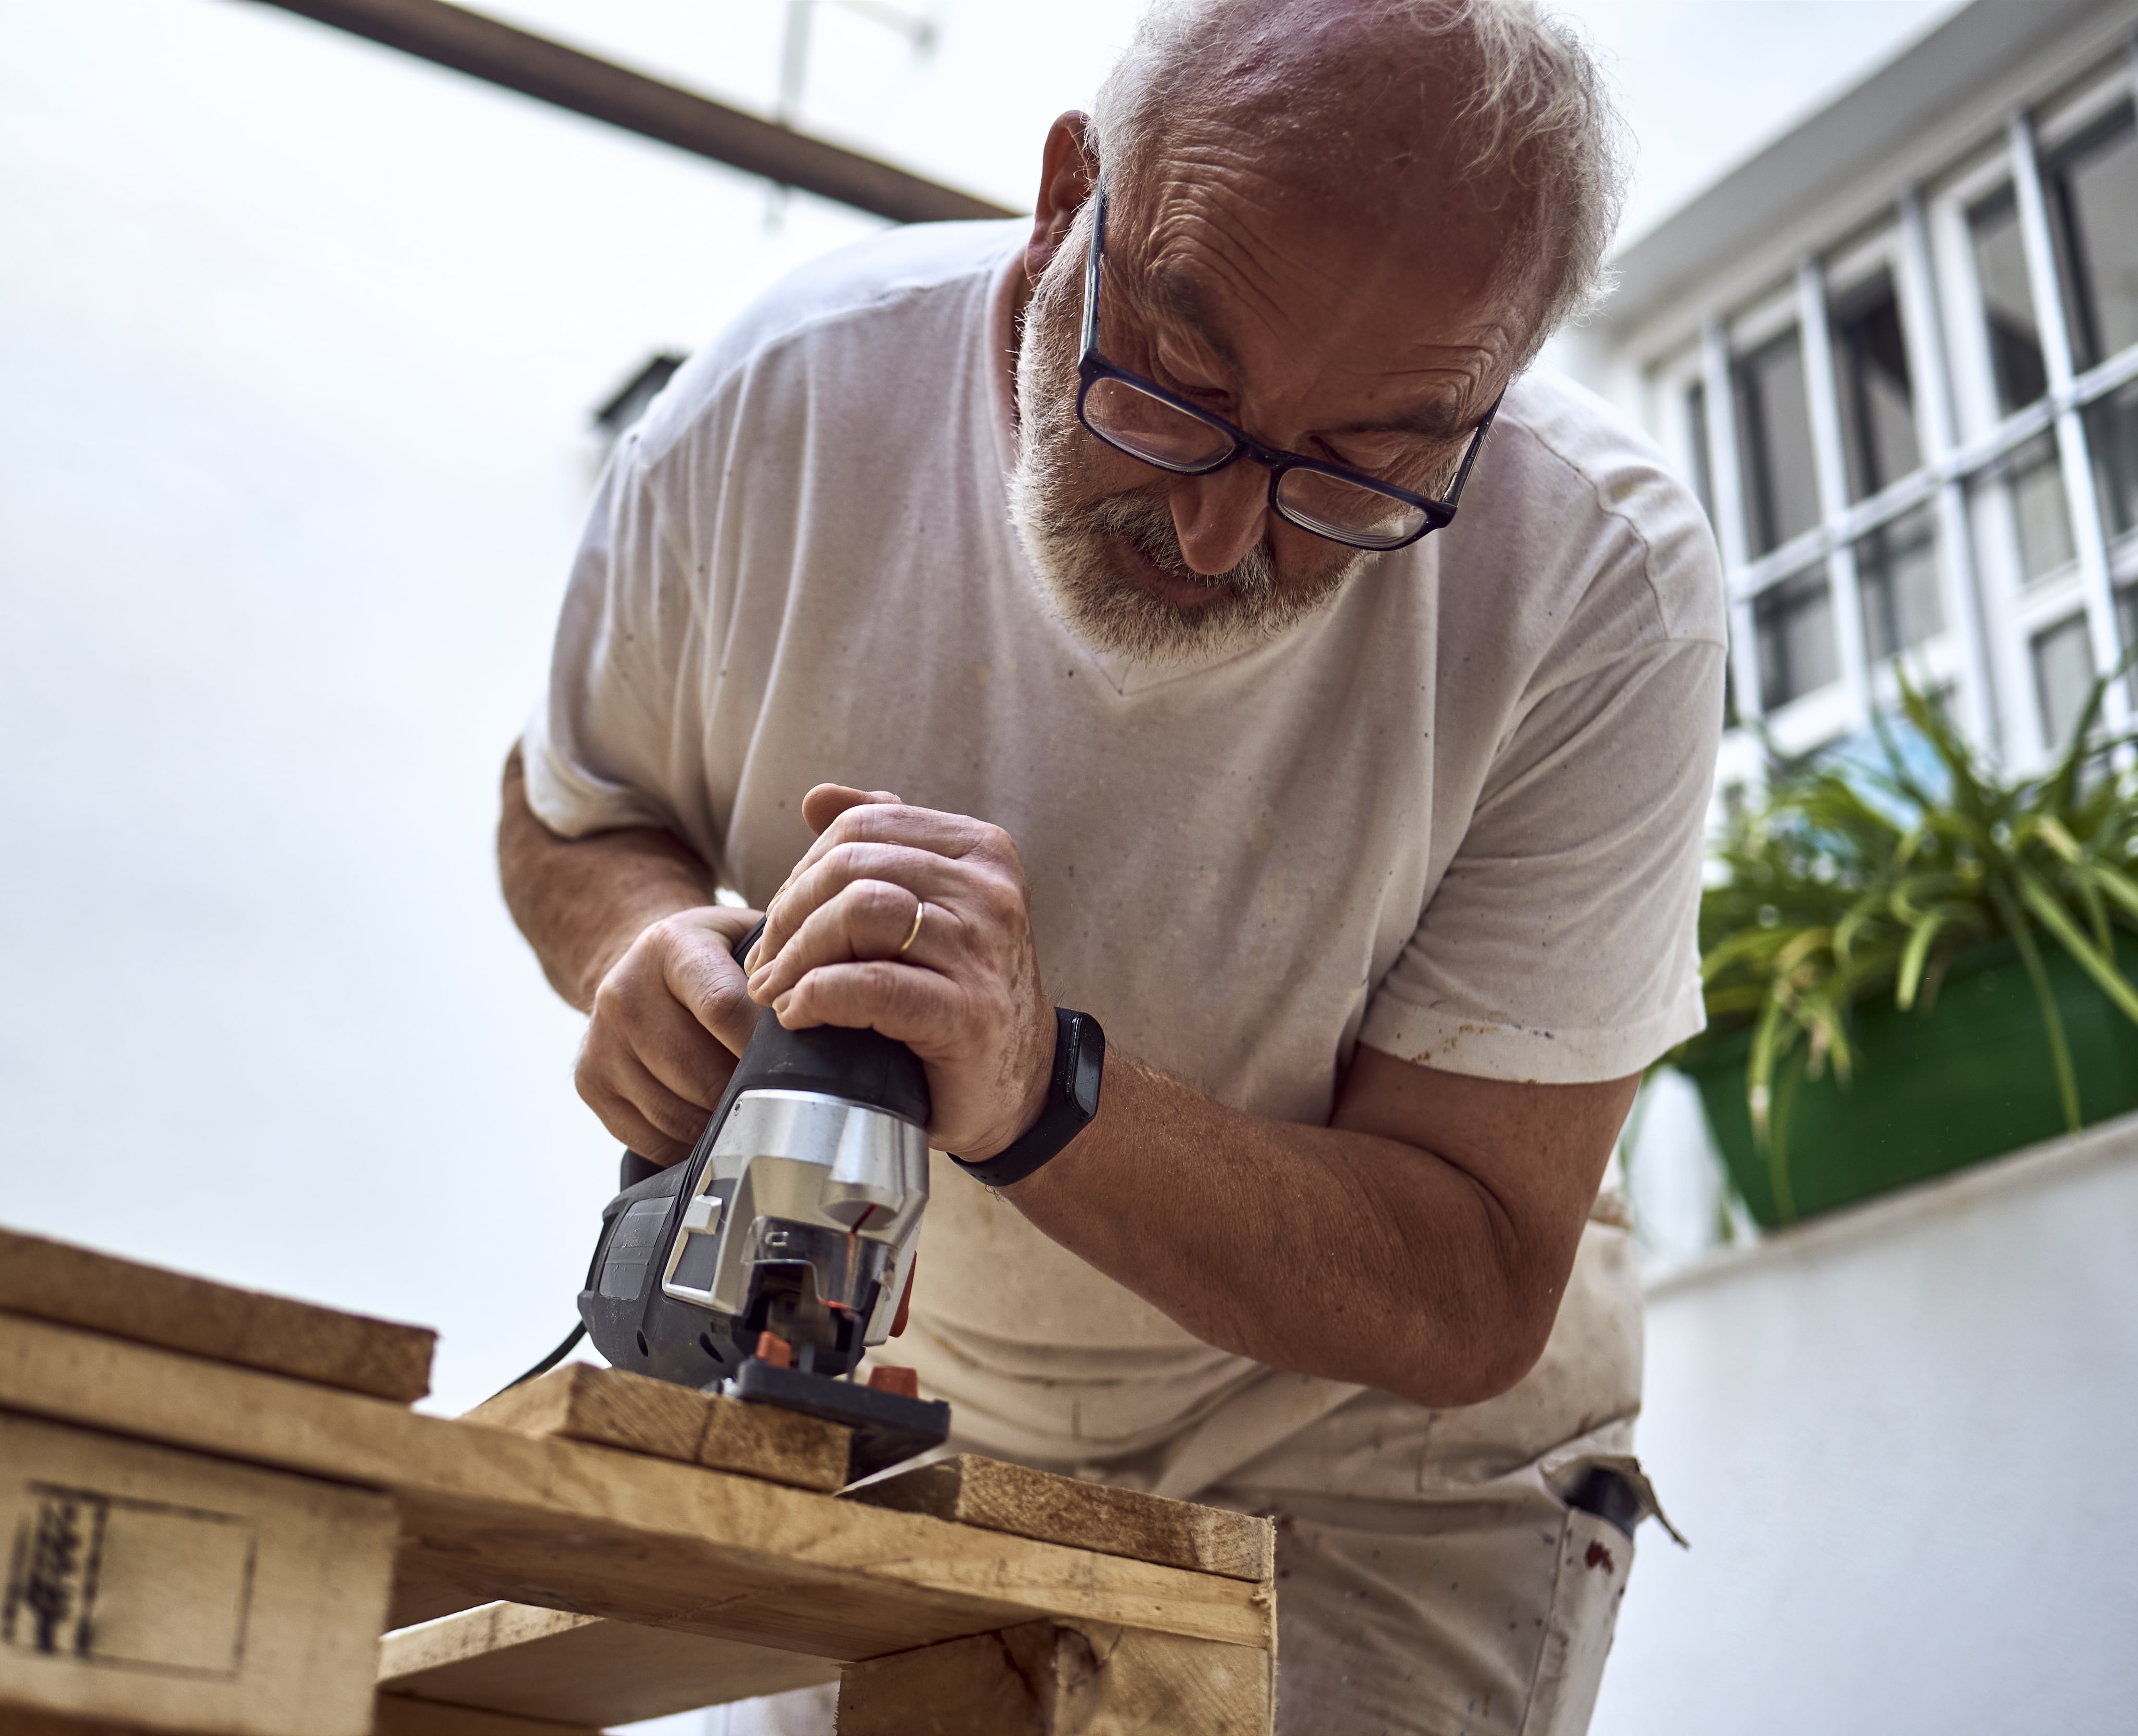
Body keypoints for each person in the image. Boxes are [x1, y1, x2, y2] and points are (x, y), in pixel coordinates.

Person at [498, 0, 1719, 1728]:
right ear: (1071, 194)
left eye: (1362, 468)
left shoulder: (1602, 585)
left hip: (1377, 1461)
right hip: (901, 1376)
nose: (1223, 532)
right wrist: (644, 943)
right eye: (1178, 389)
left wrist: (1039, 1087)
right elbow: (567, 808)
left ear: (1492, 380)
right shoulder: (780, 406)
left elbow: (1470, 1279)